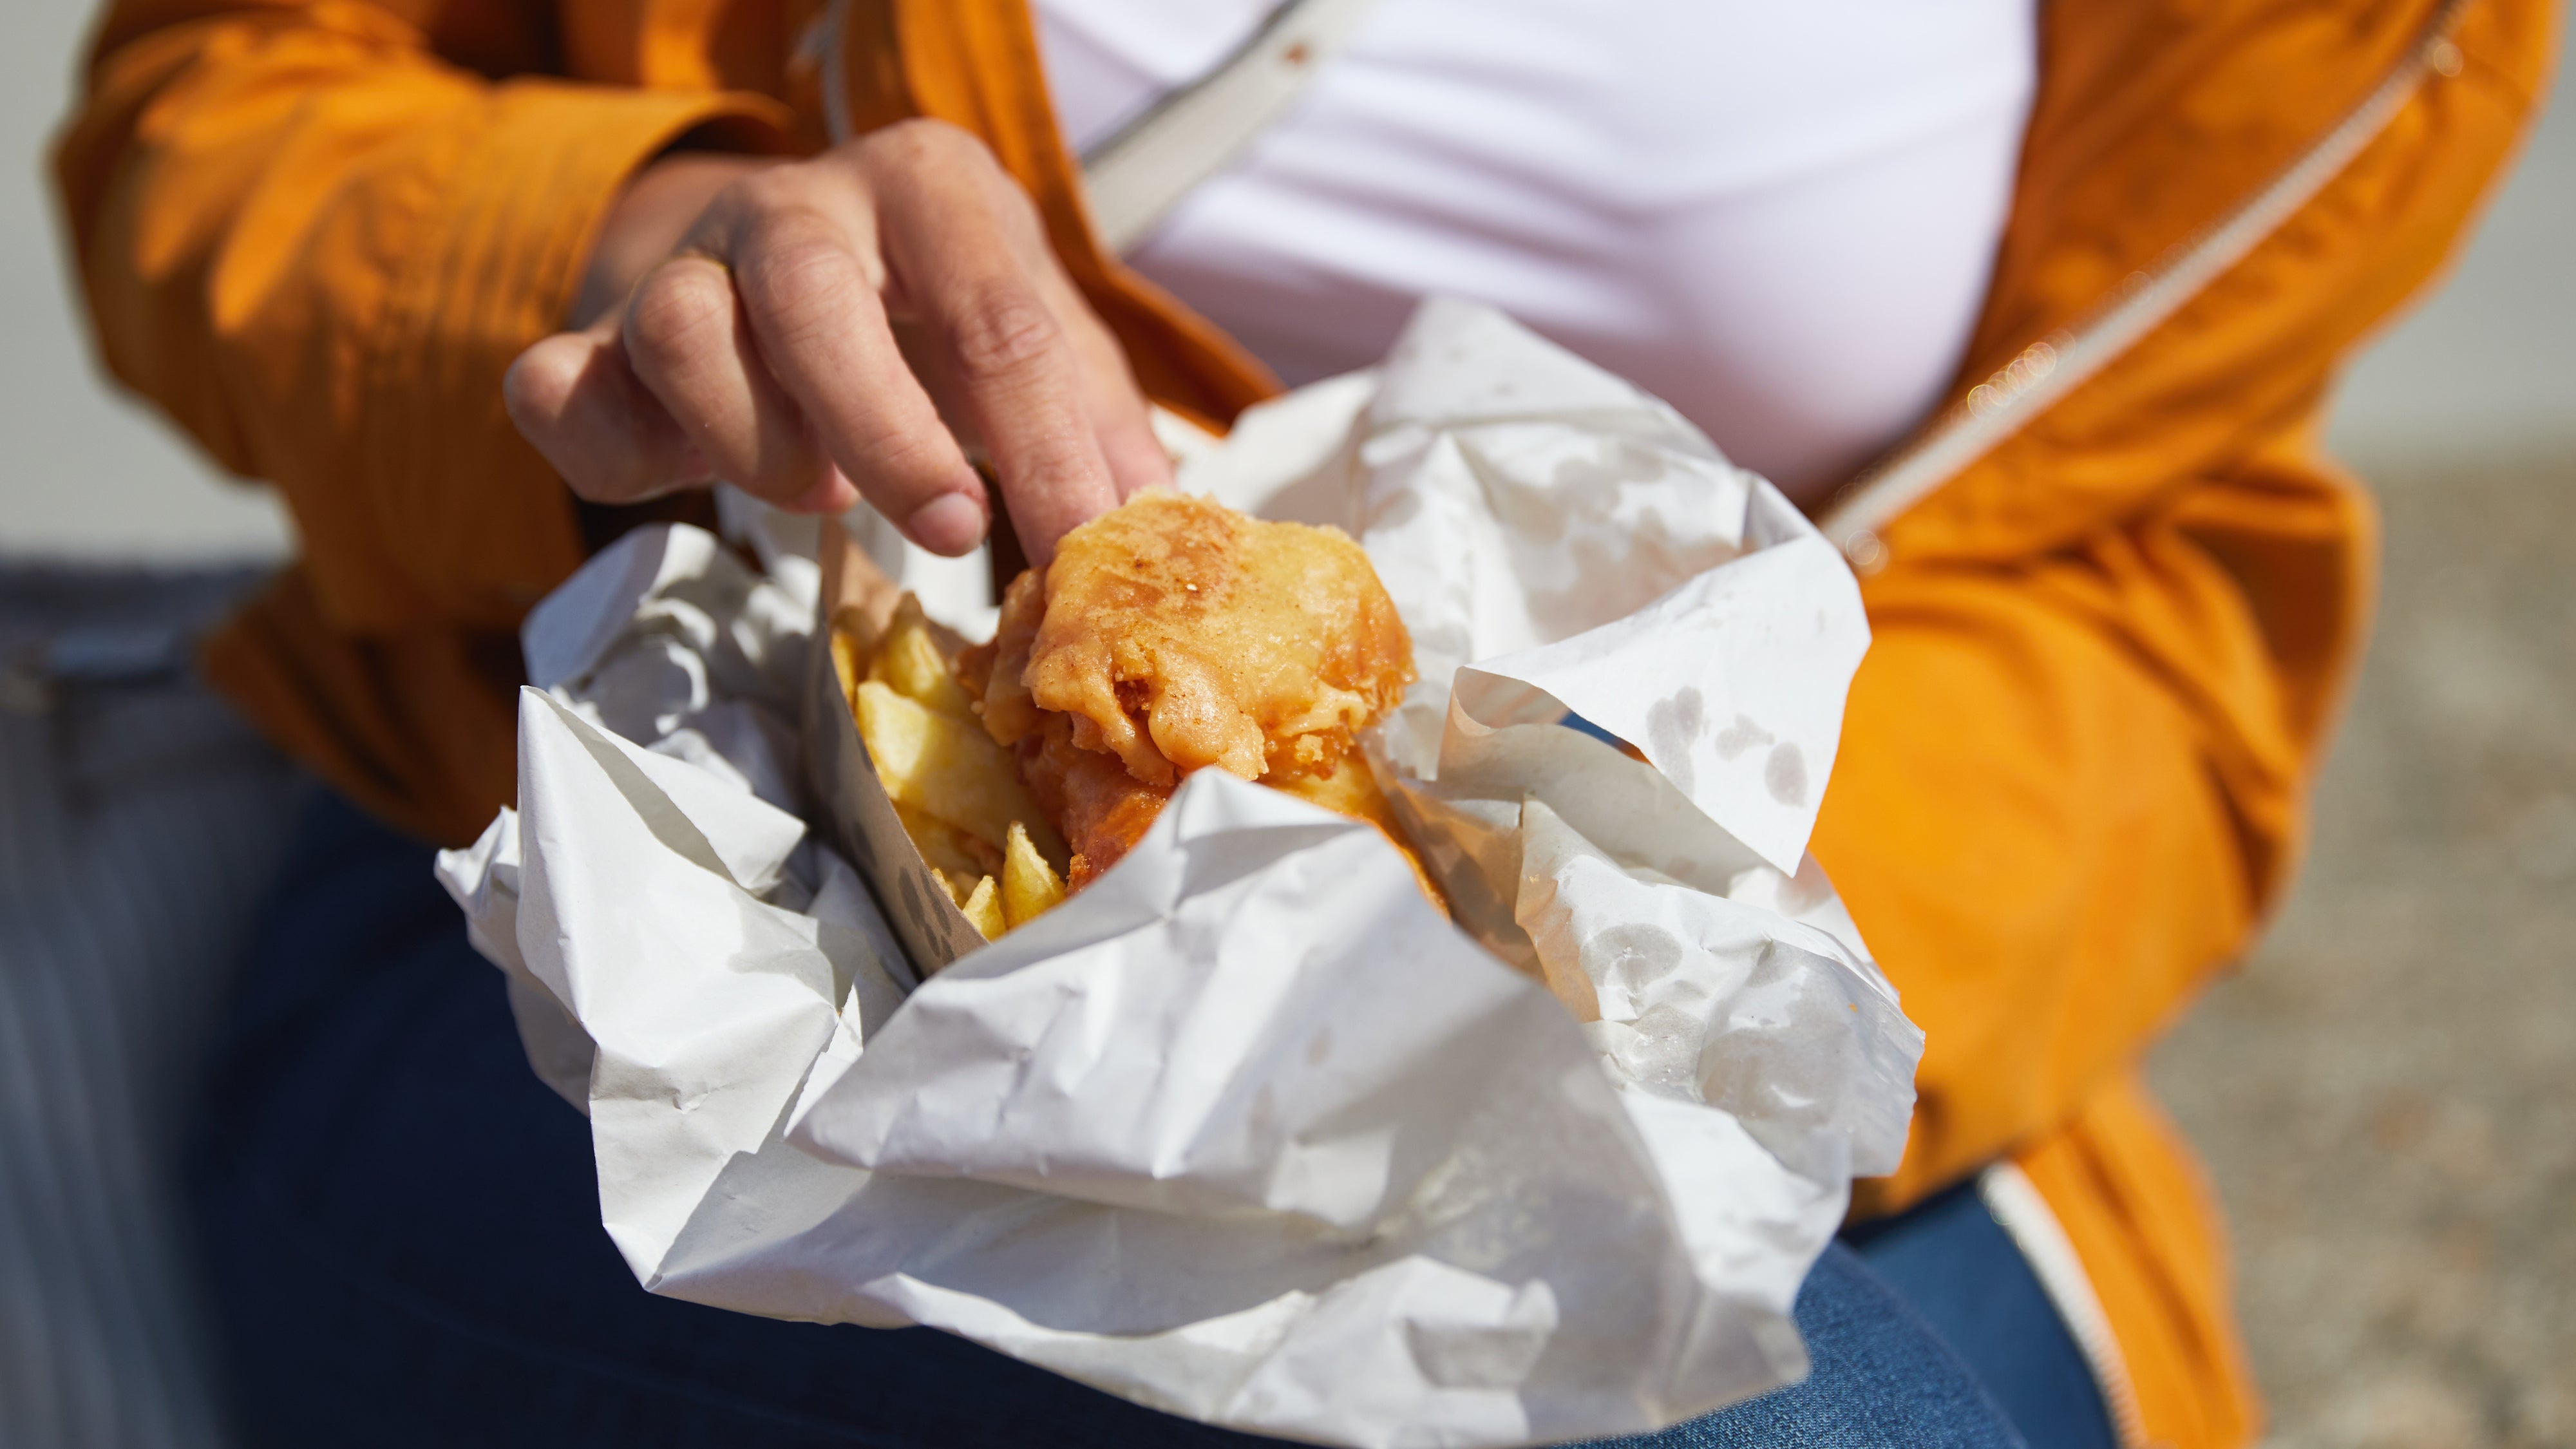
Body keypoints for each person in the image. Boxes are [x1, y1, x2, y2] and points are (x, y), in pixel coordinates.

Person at [50, 1, 2552, 1445]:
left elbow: (2154, 571)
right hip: (627, 964)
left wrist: (1618, 950)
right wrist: (632, 238)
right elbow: (223, 109)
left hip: (1784, 1004)